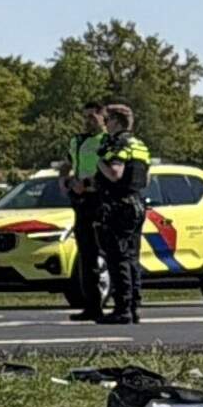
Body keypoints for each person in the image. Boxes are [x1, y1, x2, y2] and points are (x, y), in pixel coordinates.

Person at [89, 102, 155, 325]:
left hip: (119, 206)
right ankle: (134, 306)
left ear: (116, 121)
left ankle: (122, 308)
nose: (105, 125)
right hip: (136, 203)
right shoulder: (140, 145)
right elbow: (145, 179)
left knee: (118, 258)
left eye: (107, 120)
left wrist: (99, 163)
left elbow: (115, 173)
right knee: (132, 258)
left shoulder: (119, 144)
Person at [63, 103, 120, 322]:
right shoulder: (77, 141)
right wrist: (66, 181)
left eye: (92, 117)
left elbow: (114, 171)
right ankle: (92, 306)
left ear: (103, 118)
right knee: (87, 257)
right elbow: (67, 164)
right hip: (82, 202)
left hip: (101, 200)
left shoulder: (109, 141)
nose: (87, 121)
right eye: (85, 116)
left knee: (110, 254)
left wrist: (86, 184)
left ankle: (121, 305)